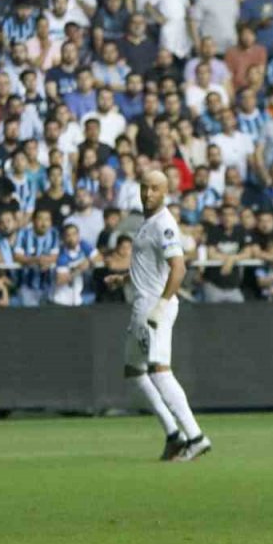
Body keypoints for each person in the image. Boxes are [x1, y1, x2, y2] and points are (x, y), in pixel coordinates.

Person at [104, 171, 210, 462]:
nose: (148, 193)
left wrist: (162, 304)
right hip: (142, 303)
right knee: (135, 372)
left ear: (165, 192)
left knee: (159, 371)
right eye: (144, 188)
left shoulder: (164, 224)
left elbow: (179, 268)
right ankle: (174, 435)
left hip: (153, 306)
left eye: (154, 189)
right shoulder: (146, 223)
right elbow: (152, 267)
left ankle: (195, 436)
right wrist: (124, 277)